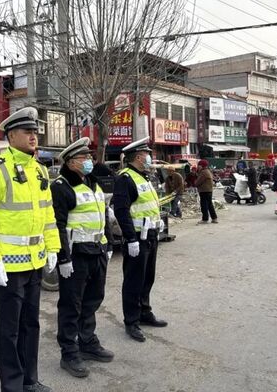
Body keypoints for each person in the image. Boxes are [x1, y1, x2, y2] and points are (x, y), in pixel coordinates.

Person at [0, 107, 60, 392]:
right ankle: (12, 386)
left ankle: (30, 380)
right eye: (27, 131)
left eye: (35, 131)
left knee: (31, 325)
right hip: (8, 266)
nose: (34, 136)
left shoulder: (39, 170)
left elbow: (48, 214)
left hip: (35, 262)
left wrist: (53, 247)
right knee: (9, 329)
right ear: (11, 136)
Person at [51, 138, 115, 379]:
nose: (89, 161)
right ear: (71, 162)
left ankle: (87, 341)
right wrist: (63, 258)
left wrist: (109, 244)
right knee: (71, 305)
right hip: (76, 254)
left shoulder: (92, 183)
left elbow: (103, 215)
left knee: (93, 299)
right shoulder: (61, 186)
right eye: (84, 158)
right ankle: (69, 352)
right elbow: (57, 224)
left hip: (97, 250)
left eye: (90, 157)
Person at [112, 137, 167, 343]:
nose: (150, 157)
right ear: (138, 157)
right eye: (147, 154)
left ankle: (144, 311)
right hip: (137, 237)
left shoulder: (144, 177)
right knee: (134, 281)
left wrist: (157, 223)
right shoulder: (125, 178)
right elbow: (121, 211)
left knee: (147, 277)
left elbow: (149, 205)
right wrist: (130, 238)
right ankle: (131, 321)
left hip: (150, 234)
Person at [195, 159, 218, 224]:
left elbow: (198, 182)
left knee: (204, 205)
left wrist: (195, 183)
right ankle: (214, 218)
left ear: (202, 165)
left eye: (199, 165)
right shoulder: (208, 171)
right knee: (209, 204)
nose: (198, 167)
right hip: (208, 190)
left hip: (204, 190)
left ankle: (205, 219)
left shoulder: (203, 172)